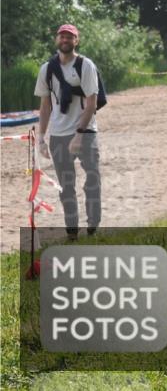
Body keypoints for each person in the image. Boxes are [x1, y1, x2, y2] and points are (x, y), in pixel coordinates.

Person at [34, 24, 102, 240]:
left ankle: (93, 226)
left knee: (92, 179)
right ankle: (72, 231)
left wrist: (79, 135)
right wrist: (42, 138)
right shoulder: (47, 69)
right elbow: (45, 106)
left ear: (76, 41)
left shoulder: (86, 66)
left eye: (70, 37)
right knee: (66, 186)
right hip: (58, 135)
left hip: (86, 132)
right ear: (57, 39)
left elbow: (91, 103)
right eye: (62, 36)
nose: (65, 40)